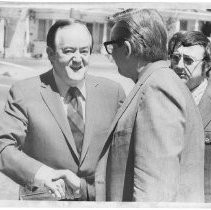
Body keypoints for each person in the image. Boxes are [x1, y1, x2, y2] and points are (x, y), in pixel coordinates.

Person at [0, 19, 125, 201]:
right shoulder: (24, 92)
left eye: (84, 51)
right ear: (50, 53)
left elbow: (125, 152)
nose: (77, 59)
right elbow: (4, 147)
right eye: (68, 51)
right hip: (44, 201)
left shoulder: (113, 92)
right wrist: (43, 174)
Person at [99, 9, 205, 202]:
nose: (110, 53)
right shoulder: (156, 82)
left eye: (111, 45)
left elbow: (156, 192)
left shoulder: (157, 88)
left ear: (127, 48)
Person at [168, 30, 211, 202]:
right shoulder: (159, 97)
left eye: (188, 60)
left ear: (207, 66)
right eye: (175, 58)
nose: (179, 65)